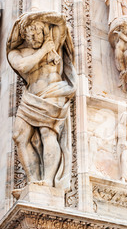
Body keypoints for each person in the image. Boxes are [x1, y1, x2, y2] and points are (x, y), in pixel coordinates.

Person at [7, 11, 77, 190]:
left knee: (48, 133)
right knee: (19, 136)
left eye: (38, 32)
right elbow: (24, 66)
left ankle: (47, 180)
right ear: (23, 35)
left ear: (44, 29)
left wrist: (36, 16)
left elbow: (60, 20)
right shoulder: (16, 53)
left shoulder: (53, 40)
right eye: (31, 35)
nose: (35, 37)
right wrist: (45, 51)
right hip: (31, 96)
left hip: (53, 92)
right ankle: (33, 180)